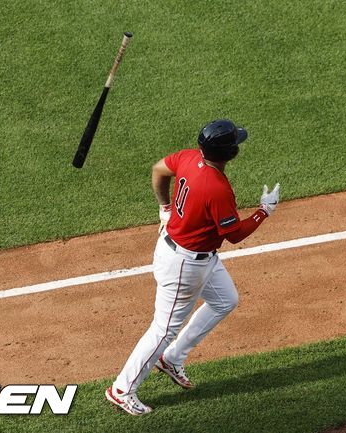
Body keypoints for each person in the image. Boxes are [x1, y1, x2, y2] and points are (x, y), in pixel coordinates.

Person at [105, 119, 280, 415]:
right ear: (230, 153)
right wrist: (264, 211)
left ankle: (172, 359)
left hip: (190, 252)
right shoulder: (217, 188)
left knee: (225, 301)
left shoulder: (188, 157)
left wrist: (164, 207)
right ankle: (122, 389)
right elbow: (234, 234)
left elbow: (159, 170)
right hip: (185, 265)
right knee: (163, 329)